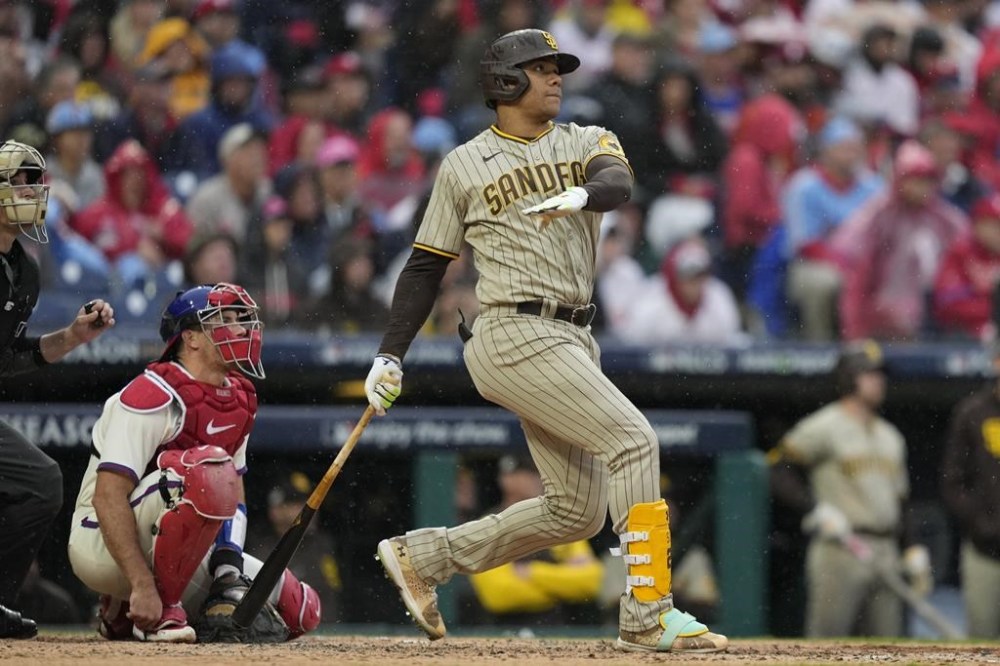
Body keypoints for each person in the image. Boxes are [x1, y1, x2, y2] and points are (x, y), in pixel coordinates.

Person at [367, 29, 728, 654]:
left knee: (577, 511)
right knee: (634, 440)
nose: (556, 78)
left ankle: (424, 557)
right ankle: (647, 612)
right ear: (506, 82)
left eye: (558, 68)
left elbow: (619, 181)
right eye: (540, 69)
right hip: (511, 328)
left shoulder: (586, 139)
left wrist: (586, 192)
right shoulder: (464, 164)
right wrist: (389, 352)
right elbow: (426, 265)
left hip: (572, 334)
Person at [67, 283, 320, 642]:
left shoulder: (239, 399)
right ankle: (156, 606)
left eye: (241, 320)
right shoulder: (151, 393)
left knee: (301, 611)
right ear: (192, 338)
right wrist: (141, 584)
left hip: (179, 547)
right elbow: (108, 497)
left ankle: (123, 613)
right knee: (207, 469)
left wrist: (227, 570)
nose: (240, 329)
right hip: (99, 542)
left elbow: (234, 491)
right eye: (225, 320)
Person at [0, 139, 116, 638]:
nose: (31, 191)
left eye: (33, 181)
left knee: (41, 481)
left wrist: (72, 337)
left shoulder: (23, 270)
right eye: (18, 181)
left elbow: (8, 359)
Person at [769, 341, 932, 637]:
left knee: (888, 650)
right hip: (841, 547)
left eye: (880, 374)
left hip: (885, 550)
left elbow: (901, 501)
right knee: (827, 647)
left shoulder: (890, 435)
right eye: (869, 374)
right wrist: (815, 509)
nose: (878, 381)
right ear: (848, 378)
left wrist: (912, 547)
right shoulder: (824, 425)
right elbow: (778, 471)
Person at [468, 455, 604, 625]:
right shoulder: (489, 525)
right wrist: (562, 587)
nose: (539, 479)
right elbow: (498, 595)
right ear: (506, 480)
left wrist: (533, 573)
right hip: (503, 634)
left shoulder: (560, 523)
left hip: (556, 633)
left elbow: (592, 581)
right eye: (530, 473)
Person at [940, 323, 1000, 638]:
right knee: (983, 645)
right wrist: (981, 523)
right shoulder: (973, 412)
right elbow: (952, 482)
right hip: (985, 552)